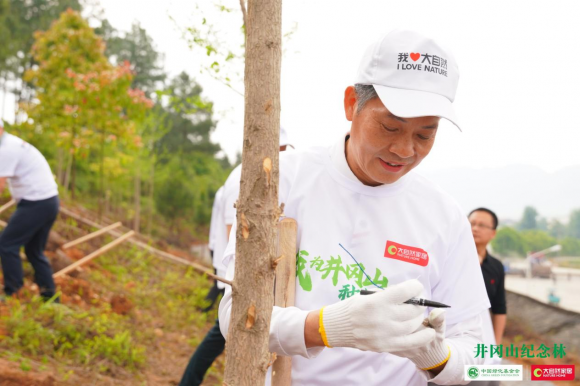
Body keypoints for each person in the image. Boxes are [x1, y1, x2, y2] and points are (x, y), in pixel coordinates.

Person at [219, 29, 490, 385]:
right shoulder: (284, 182)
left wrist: (437, 357)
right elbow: (236, 316)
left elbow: (482, 354)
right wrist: (328, 327)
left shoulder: (444, 215)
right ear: (351, 104)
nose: (406, 150)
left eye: (425, 134)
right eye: (390, 127)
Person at [179, 127, 293, 386]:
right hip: (239, 275)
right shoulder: (242, 178)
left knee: (220, 336)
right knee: (221, 335)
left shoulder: (262, 177)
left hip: (243, 274)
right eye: (283, 152)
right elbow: (240, 236)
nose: (285, 159)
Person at [0, 124, 59, 300]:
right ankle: (50, 297)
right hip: (49, 201)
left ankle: (14, 291)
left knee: (6, 244)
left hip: (36, 203)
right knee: (34, 251)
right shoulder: (11, 144)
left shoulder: (6, 149)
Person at [468, 208, 506, 346]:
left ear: (493, 233)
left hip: (482, 336)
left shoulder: (496, 267)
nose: (475, 228)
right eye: (471, 223)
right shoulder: (451, 258)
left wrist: (495, 344)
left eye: (482, 225)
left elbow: (499, 308)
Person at [201, 186, 225, 313]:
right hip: (219, 247)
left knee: (219, 285)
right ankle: (207, 310)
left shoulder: (222, 190)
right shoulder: (227, 191)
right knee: (221, 285)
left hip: (216, 245)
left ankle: (206, 309)